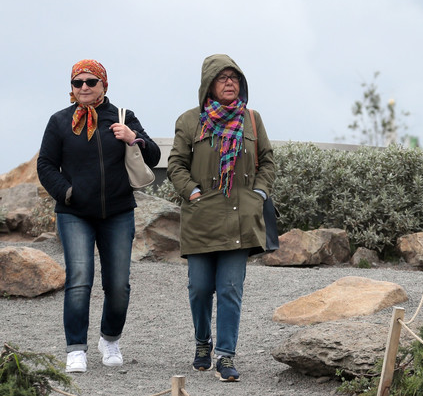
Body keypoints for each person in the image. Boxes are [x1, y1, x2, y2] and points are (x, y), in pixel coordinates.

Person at [37, 59, 161, 373]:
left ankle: (110, 339)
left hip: (118, 212)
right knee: (79, 280)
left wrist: (132, 137)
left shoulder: (123, 117)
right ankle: (76, 348)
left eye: (91, 81)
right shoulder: (60, 121)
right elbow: (46, 165)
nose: (84, 88)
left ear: (104, 84)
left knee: (118, 285)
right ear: (72, 88)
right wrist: (67, 192)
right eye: (78, 83)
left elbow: (155, 156)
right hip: (74, 213)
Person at [167, 54, 275, 382]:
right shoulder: (190, 121)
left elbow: (267, 161)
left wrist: (259, 193)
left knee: (230, 288)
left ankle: (225, 355)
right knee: (200, 288)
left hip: (239, 218)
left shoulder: (251, 120)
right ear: (208, 85)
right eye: (222, 77)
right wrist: (193, 193)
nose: (230, 82)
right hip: (201, 218)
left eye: (235, 77)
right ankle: (203, 343)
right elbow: (175, 165)